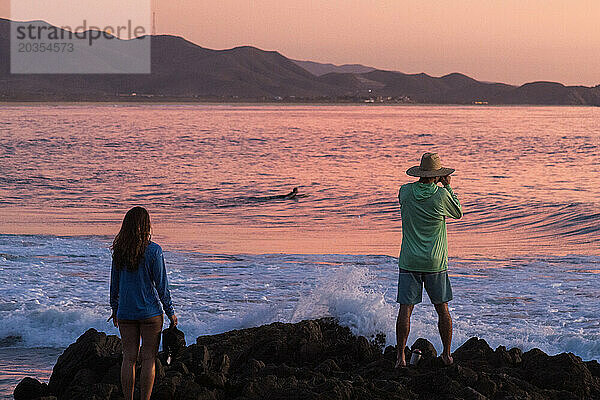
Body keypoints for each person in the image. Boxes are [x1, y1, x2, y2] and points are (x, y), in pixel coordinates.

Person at [396, 152, 462, 368]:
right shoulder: (441, 196)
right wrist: (448, 187)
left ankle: (401, 358)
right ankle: (446, 354)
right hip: (435, 262)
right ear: (437, 176)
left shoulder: (405, 191)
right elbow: (458, 212)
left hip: (409, 260)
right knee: (442, 308)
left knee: (406, 309)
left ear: (420, 173)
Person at [108, 206, 178, 400]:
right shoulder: (154, 251)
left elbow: (114, 285)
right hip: (150, 313)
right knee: (149, 359)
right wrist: (170, 311)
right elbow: (162, 285)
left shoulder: (119, 252)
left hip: (126, 313)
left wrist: (115, 309)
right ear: (146, 225)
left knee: (128, 358)